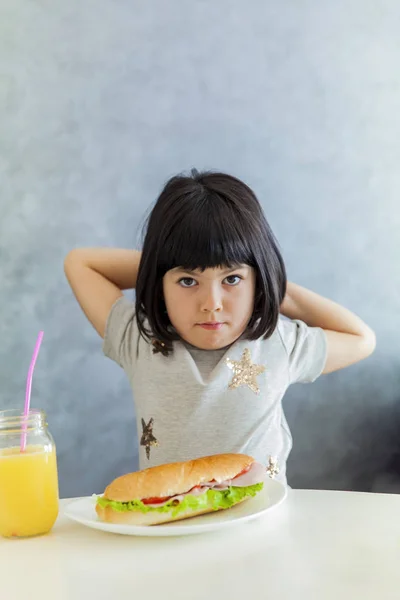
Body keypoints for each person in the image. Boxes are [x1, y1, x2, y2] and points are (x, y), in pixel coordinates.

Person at [64, 170, 376, 485]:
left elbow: (361, 339)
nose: (211, 303)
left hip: (262, 526)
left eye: (232, 279)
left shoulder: (276, 343)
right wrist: (164, 261)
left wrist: (273, 285)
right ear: (160, 284)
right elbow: (80, 263)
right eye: (187, 280)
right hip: (174, 528)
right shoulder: (140, 339)